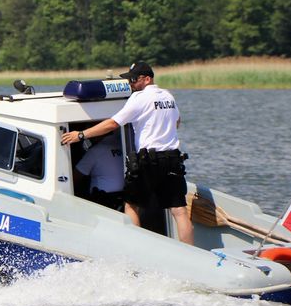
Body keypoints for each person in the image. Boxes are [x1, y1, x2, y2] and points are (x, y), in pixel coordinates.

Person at [60, 61, 193, 245]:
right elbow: (177, 121)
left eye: (133, 79)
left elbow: (113, 124)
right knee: (179, 211)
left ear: (147, 79)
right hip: (173, 159)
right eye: (129, 80)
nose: (131, 83)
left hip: (149, 160)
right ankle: (189, 253)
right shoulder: (168, 96)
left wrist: (81, 135)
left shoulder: (139, 98)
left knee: (131, 205)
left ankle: (136, 251)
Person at [73, 129, 125, 209]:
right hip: (126, 197)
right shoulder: (122, 143)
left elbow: (74, 178)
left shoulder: (95, 151)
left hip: (104, 201)